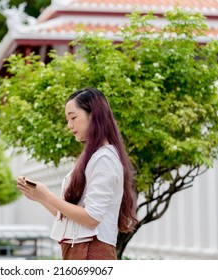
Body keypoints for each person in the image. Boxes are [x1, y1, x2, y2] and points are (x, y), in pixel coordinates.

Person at [16, 87, 138, 260]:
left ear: (94, 115)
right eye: (68, 119)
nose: (69, 125)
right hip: (80, 250)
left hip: (92, 251)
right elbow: (72, 219)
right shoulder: (95, 157)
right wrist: (40, 197)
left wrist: (48, 196)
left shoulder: (104, 159)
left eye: (73, 117)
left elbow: (91, 218)